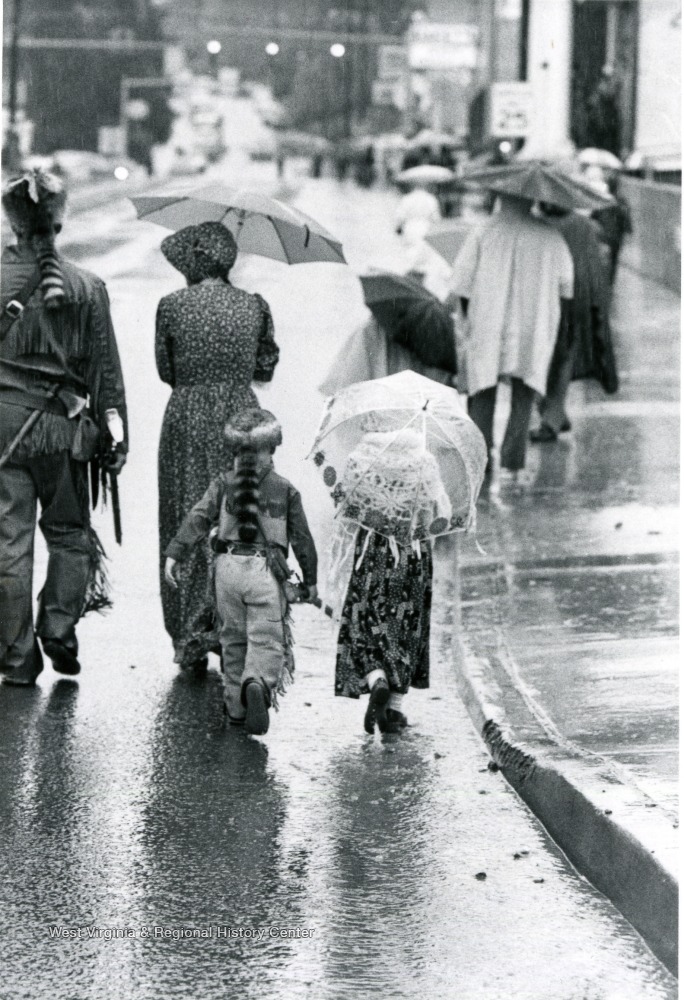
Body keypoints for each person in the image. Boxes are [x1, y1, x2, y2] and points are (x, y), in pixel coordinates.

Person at [0, 169, 128, 685]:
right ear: (58, 223)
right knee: (70, 537)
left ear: (13, 223)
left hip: (4, 431)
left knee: (9, 545)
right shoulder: (87, 287)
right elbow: (107, 375)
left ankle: (15, 659)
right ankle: (58, 623)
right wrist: (116, 440)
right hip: (64, 429)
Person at [155, 222, 279, 672]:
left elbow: (165, 370)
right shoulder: (254, 306)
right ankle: (233, 626)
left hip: (186, 417)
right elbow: (265, 366)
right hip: (241, 417)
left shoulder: (171, 306)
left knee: (188, 512)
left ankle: (190, 633)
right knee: (239, 516)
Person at [164, 409, 318, 735]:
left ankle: (236, 710)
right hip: (264, 571)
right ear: (273, 447)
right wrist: (311, 581)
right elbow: (302, 539)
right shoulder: (285, 489)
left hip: (227, 569)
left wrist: (175, 553)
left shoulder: (222, 484)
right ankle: (257, 682)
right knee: (265, 639)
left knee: (233, 641)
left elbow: (198, 518)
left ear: (233, 449)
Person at [447, 193, 574, 478]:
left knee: (482, 388)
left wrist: (470, 319)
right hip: (534, 326)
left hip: (487, 323)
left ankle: (481, 459)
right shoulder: (550, 236)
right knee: (524, 390)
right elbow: (567, 287)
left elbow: (462, 284)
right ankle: (513, 460)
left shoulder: (483, 231)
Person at [331, 426, 448, 734]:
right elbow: (434, 514)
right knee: (406, 629)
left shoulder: (364, 459)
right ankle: (393, 712)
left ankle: (375, 678)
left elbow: (344, 507)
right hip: (412, 558)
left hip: (372, 554)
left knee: (363, 620)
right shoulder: (424, 463)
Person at [530, 205, 616, 443]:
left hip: (553, 299)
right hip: (580, 298)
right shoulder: (585, 225)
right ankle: (556, 415)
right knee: (562, 359)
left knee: (546, 360)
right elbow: (597, 261)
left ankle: (551, 418)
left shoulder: (542, 226)